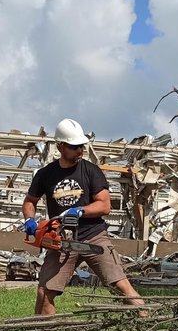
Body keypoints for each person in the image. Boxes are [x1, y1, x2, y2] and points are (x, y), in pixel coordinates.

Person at [22, 118, 143, 315]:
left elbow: (104, 205)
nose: (80, 151)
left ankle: (147, 321)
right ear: (61, 146)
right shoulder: (45, 174)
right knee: (45, 292)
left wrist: (80, 211)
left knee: (121, 286)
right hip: (61, 240)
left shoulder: (91, 171)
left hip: (93, 235)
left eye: (82, 146)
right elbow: (30, 201)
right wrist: (29, 220)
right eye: (74, 147)